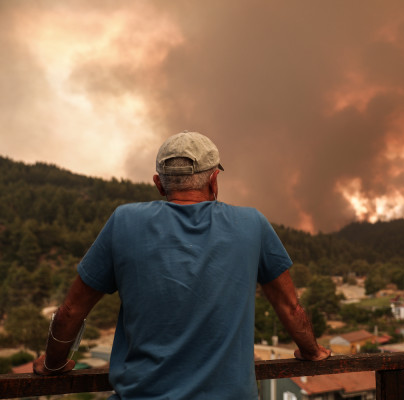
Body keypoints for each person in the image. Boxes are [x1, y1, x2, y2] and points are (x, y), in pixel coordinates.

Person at [33, 131, 330, 399]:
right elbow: (291, 308)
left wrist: (53, 364)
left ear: (159, 184)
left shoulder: (125, 221)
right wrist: (312, 351)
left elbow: (70, 311)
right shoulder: (252, 224)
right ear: (214, 181)